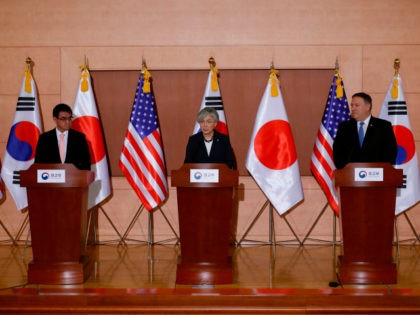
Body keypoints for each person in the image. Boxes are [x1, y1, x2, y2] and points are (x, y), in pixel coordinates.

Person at [333, 92, 397, 169]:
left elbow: (390, 153)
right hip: (350, 177)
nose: (352, 108)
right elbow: (338, 153)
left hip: (376, 176)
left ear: (368, 107)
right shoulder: (344, 127)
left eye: (356, 105)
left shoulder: (383, 126)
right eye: (352, 105)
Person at [35, 103, 91, 170]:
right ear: (55, 119)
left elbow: (86, 164)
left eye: (69, 118)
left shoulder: (79, 138)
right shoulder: (44, 138)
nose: (68, 122)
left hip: (74, 178)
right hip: (51, 178)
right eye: (63, 119)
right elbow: (38, 164)